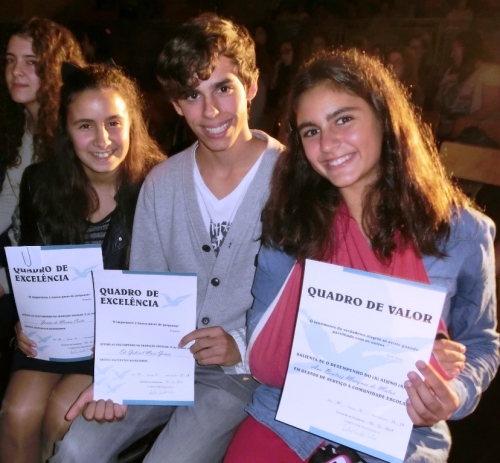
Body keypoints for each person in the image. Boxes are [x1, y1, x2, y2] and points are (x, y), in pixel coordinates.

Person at [224, 49, 499, 462]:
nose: (327, 144)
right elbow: (264, 357)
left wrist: (454, 391)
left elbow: (481, 343)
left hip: (399, 435)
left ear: (383, 118)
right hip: (288, 419)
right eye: (311, 131)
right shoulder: (292, 227)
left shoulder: (461, 233)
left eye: (343, 119)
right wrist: (398, 351)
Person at [49, 13, 284, 463]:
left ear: (251, 86)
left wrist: (239, 344)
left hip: (241, 373)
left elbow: (298, 301)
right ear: (176, 104)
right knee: (75, 450)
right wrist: (117, 374)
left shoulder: (290, 179)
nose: (210, 111)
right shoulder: (162, 182)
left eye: (223, 88)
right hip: (160, 361)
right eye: (192, 95)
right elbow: (145, 295)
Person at [0, 63, 164, 463]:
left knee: (62, 415)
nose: (102, 140)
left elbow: (168, 291)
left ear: (132, 124)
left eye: (113, 123)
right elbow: (33, 271)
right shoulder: (40, 183)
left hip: (121, 345)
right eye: (85, 126)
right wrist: (26, 320)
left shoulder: (159, 185)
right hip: (57, 338)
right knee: (16, 412)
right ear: (66, 131)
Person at [0, 17, 85, 298]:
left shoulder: (75, 132)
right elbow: (10, 199)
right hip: (18, 264)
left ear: (55, 68)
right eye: (10, 60)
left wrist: (6, 281)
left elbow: (66, 240)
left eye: (31, 62)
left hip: (57, 282)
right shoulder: (20, 124)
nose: (16, 71)